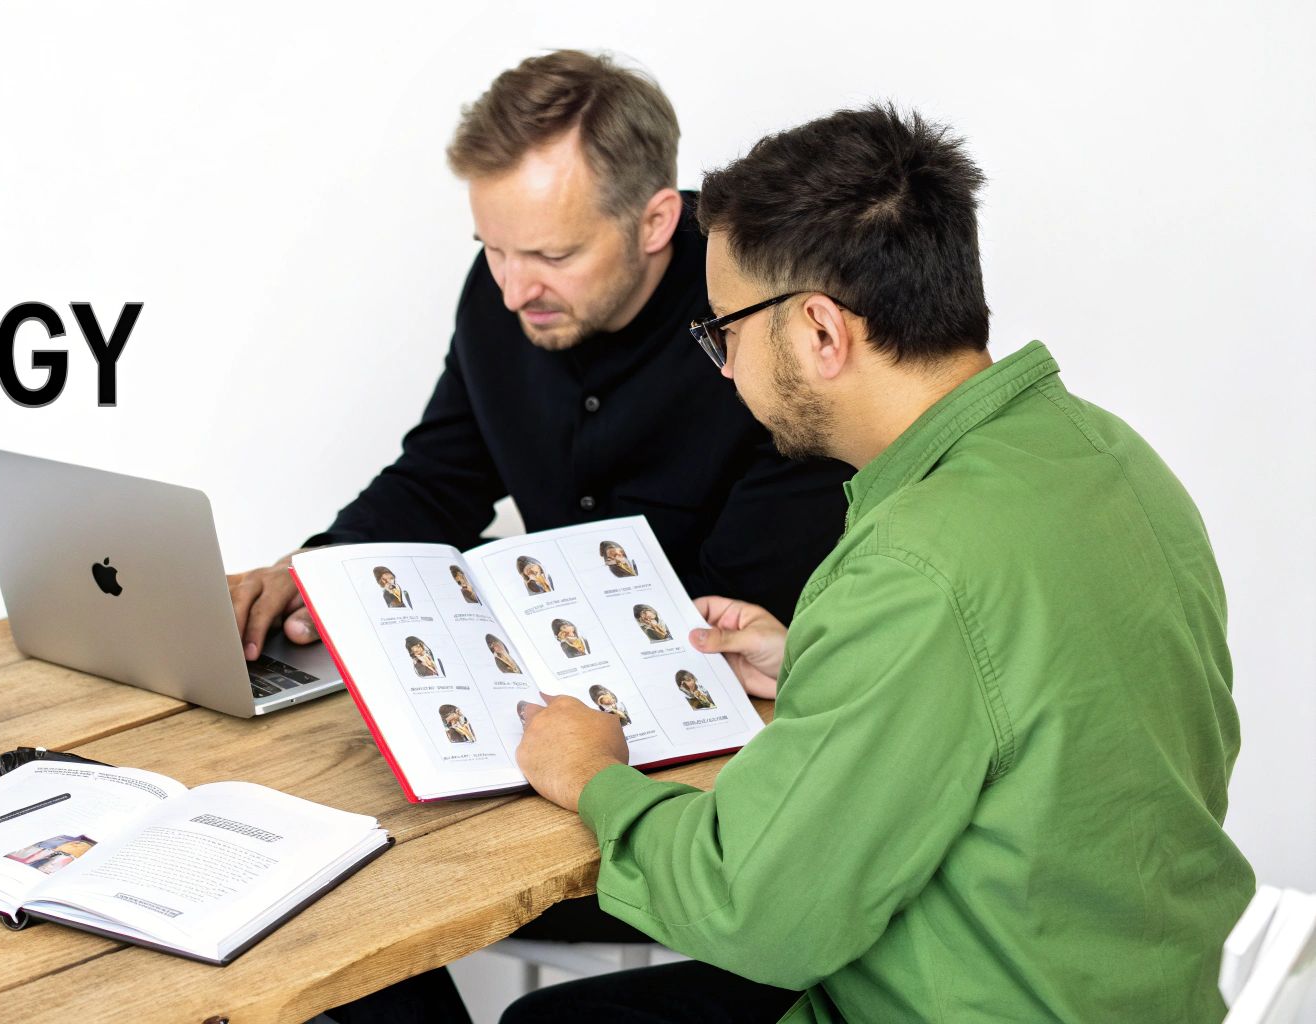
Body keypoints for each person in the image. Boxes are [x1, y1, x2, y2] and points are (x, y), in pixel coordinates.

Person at [510, 104, 1255, 1024]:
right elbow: (1037, 685)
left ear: (822, 331)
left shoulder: (912, 564)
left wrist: (592, 774)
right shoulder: (1107, 454)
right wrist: (821, 660)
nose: (727, 368)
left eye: (725, 333)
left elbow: (753, 908)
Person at [227, 49, 850, 664]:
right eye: (494, 248)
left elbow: (741, 600)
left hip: (742, 690)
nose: (512, 291)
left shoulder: (763, 320)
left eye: (553, 257)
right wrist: (317, 569)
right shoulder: (506, 288)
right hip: (557, 669)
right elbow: (441, 477)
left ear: (656, 221)